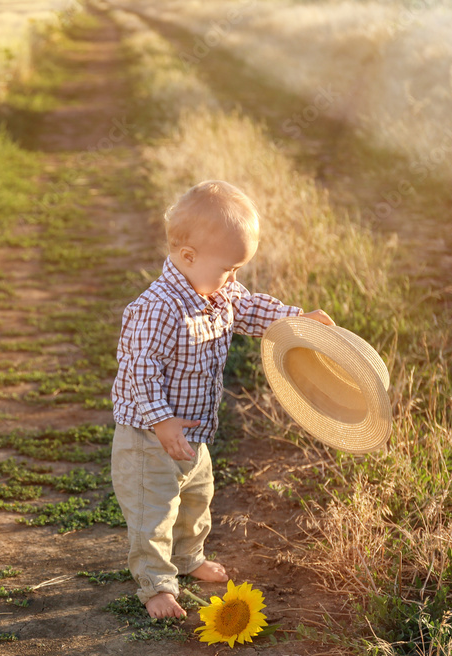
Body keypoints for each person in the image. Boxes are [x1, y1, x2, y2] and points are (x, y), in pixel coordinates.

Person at [110, 180, 335, 619]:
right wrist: (162, 421)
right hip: (148, 438)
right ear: (188, 257)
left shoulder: (218, 292)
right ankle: (155, 584)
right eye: (228, 269)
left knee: (196, 499)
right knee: (153, 512)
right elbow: (140, 368)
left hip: (195, 434)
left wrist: (296, 321)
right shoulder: (157, 307)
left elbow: (253, 311)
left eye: (237, 269)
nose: (234, 279)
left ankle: (189, 558)